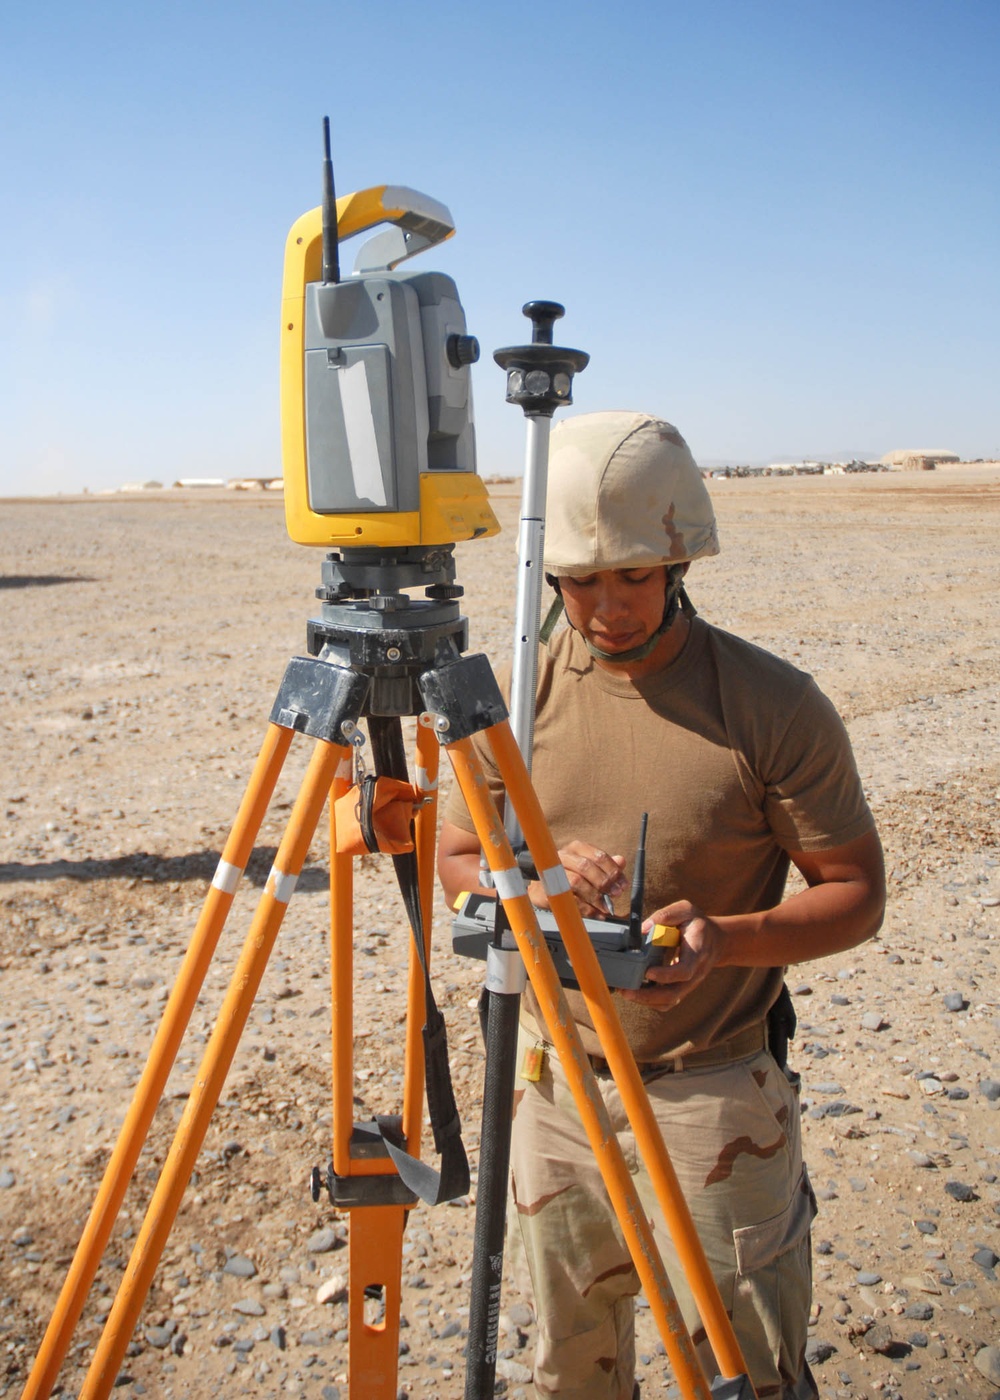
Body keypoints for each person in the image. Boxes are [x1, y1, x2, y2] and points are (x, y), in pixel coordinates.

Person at [437, 411, 885, 1400]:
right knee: (570, 1373)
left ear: (678, 558)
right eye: (580, 579)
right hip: (554, 1088)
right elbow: (457, 860)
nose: (606, 607)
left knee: (742, 1372)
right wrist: (538, 866)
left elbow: (854, 894)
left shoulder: (770, 705)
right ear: (545, 575)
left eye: (631, 575)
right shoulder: (504, 697)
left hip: (712, 1093)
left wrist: (726, 938)